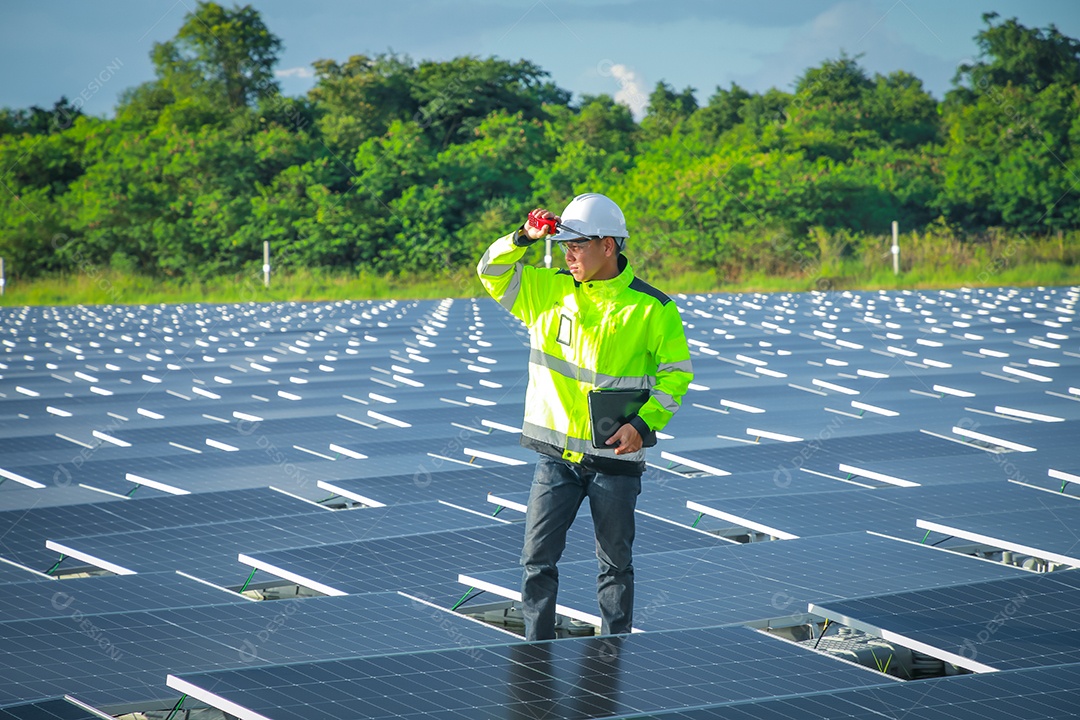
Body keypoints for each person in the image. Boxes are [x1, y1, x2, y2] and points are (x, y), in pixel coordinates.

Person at [476, 192, 693, 640]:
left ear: (608, 245)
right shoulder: (547, 289)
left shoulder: (653, 307)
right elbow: (490, 272)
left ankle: (615, 652)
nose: (567, 254)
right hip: (555, 456)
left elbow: (676, 376)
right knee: (536, 561)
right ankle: (537, 654)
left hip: (614, 458)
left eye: (577, 245)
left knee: (615, 566)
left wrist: (644, 425)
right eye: (564, 245)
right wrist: (523, 238)